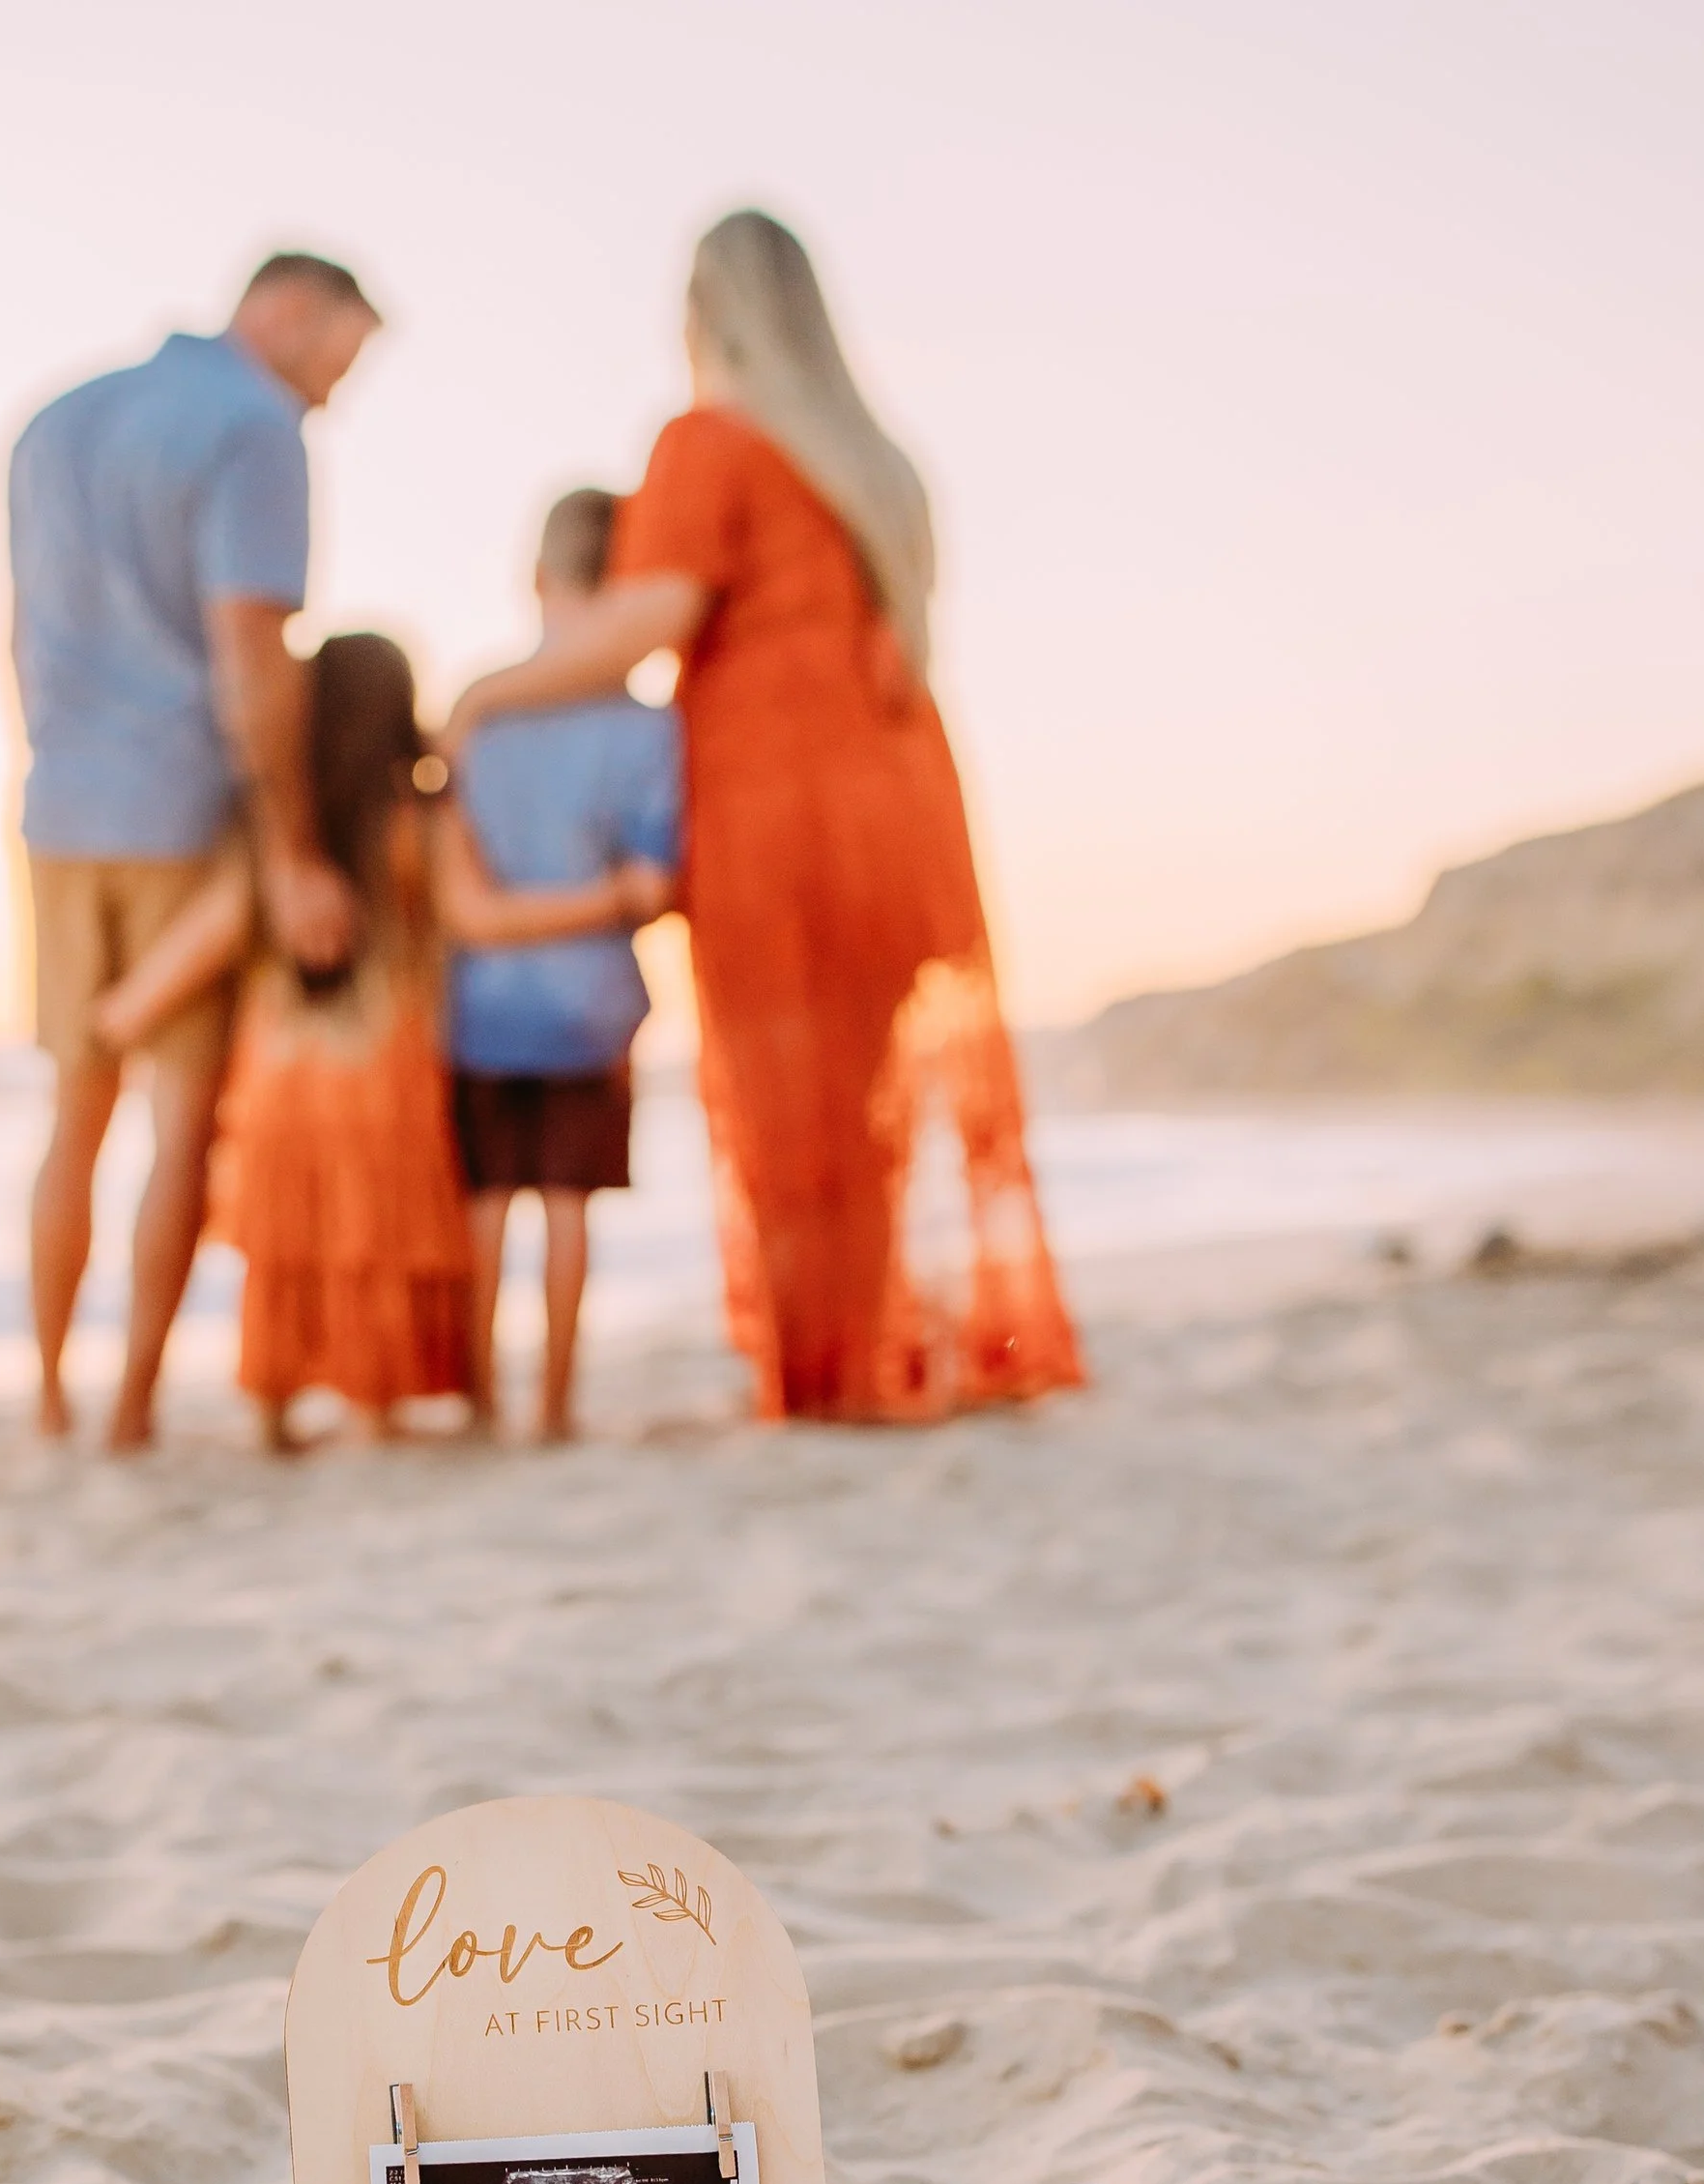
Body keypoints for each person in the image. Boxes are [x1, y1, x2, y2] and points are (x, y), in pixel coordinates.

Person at [447, 211, 1083, 1426]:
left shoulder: (707, 442)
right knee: (870, 1105)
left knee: (790, 1106)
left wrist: (487, 691)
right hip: (901, 800)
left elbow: (650, 621)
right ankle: (880, 1347)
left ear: (703, 314)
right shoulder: (876, 468)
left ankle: (823, 1374)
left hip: (777, 803)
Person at [93, 634, 672, 1451]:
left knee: (289, 1254)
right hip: (383, 1072)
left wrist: (122, 1011)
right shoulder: (417, 822)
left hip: (282, 1080)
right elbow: (477, 916)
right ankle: (374, 1403)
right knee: (375, 1243)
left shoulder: (286, 844)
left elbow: (210, 933)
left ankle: (276, 1408)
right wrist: (607, 899)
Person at [7, 250, 380, 1448]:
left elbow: (19, 633)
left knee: (76, 1109)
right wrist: (293, 849)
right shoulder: (254, 427)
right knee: (181, 1122)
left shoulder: (53, 420)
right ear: (283, 310)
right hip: (180, 807)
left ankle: (54, 1402)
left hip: (61, 803)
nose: (334, 391)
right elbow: (251, 655)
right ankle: (131, 1410)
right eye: (340, 354)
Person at [449, 490, 680, 1441]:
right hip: (590, 1005)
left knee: (487, 1202)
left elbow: (446, 864)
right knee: (567, 1207)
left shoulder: (481, 716)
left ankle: (478, 1396)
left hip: (482, 1003)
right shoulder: (646, 731)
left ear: (537, 579)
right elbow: (653, 882)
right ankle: (553, 1402)